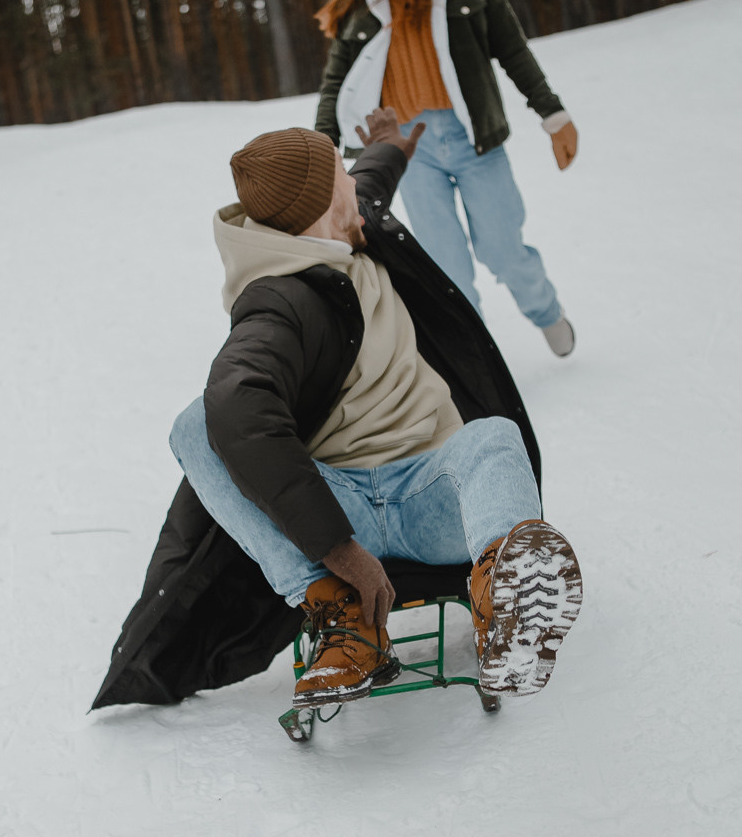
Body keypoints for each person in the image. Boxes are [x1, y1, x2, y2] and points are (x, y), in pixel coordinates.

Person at [91, 110, 582, 717]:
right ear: (327, 203)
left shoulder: (340, 222)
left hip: (431, 494)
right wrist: (340, 554)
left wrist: (387, 148)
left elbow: (363, 178)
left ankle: (507, 600)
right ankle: (340, 612)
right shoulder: (280, 303)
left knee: (491, 439)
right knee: (197, 424)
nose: (357, 187)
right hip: (338, 514)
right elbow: (235, 404)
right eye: (344, 183)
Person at [314, 0, 578, 356]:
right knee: (448, 268)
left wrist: (553, 114)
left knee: (504, 251)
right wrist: (325, 147)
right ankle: (480, 365)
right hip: (408, 152)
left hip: (472, 136)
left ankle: (545, 311)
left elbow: (512, 48)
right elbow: (336, 81)